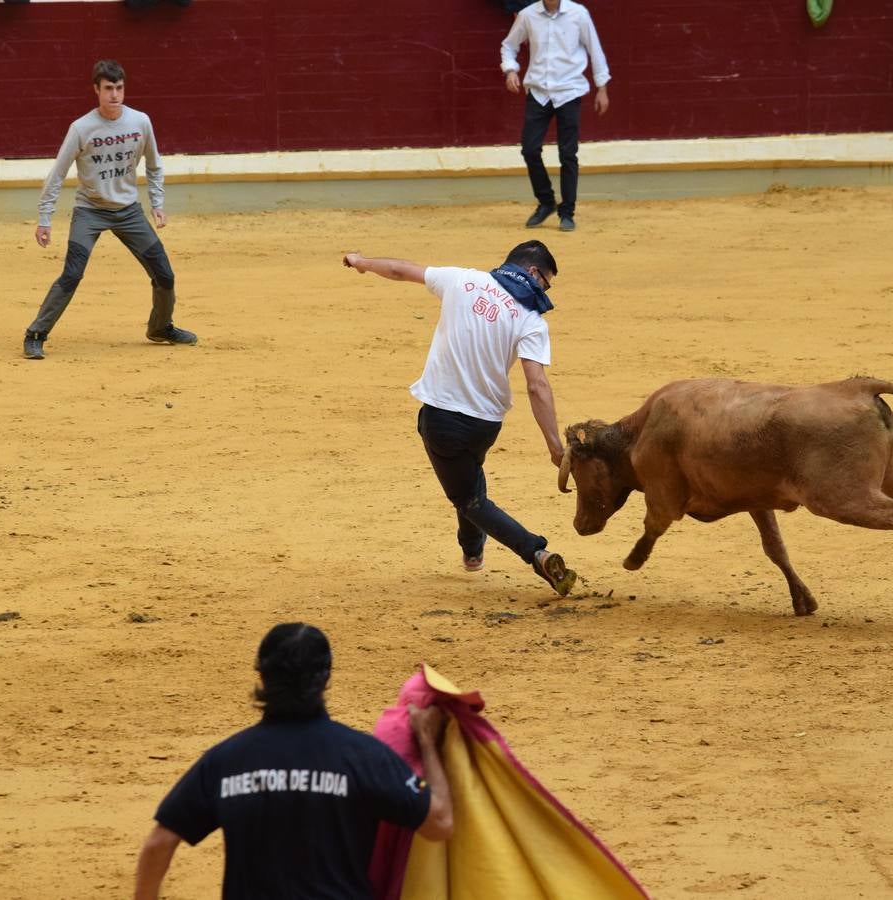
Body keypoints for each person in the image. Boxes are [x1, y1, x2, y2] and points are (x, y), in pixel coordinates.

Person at [133, 623, 453, 899]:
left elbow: (159, 844)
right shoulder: (363, 756)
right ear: (326, 678)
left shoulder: (226, 760)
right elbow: (440, 824)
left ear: (261, 675)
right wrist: (427, 743)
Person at [342, 241, 578, 597]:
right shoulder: (530, 320)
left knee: (471, 501)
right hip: (485, 424)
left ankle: (537, 553)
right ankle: (472, 551)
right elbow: (537, 386)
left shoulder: (462, 281)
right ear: (532, 272)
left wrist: (362, 262)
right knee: (468, 480)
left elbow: (399, 270)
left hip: (442, 420)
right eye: (546, 282)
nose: (545, 292)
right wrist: (554, 446)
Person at [23, 59, 196, 360]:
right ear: (96, 90)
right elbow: (57, 174)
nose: (115, 95)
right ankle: (36, 333)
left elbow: (154, 166)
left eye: (119, 88)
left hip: (129, 211)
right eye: (108, 89)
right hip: (90, 210)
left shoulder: (141, 121)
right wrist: (44, 218)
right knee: (72, 274)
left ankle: (160, 327)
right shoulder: (81, 128)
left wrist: (157, 204)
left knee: (165, 275)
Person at [500, 0, 611, 233]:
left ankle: (567, 212)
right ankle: (546, 201)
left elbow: (595, 49)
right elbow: (509, 45)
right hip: (539, 91)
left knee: (568, 153)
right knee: (530, 149)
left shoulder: (578, 14)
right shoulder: (528, 15)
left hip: (569, 91)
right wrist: (510, 69)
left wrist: (602, 87)